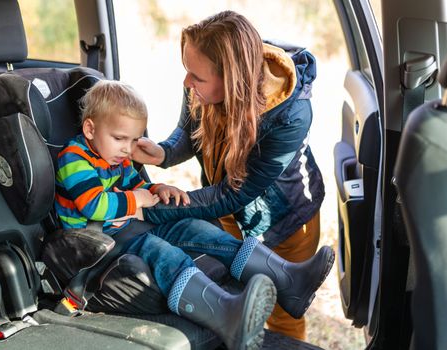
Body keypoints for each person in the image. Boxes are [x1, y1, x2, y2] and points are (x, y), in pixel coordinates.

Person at [54, 80, 333, 349]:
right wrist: (136, 199)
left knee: (195, 228)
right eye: (120, 139)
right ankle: (226, 315)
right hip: (97, 240)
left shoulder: (114, 156)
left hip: (129, 226)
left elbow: (134, 185)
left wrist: (156, 189)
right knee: (163, 252)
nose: (128, 149)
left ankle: (289, 280)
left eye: (135, 140)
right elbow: (93, 205)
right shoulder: (74, 159)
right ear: (90, 129)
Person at [132, 10, 327, 341]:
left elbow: (234, 192)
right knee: (239, 303)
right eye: (186, 71)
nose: (186, 83)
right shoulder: (202, 84)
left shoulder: (291, 114)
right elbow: (188, 132)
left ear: (232, 80)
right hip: (229, 213)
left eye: (196, 77)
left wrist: (149, 206)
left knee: (283, 316)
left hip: (287, 221)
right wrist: (164, 153)